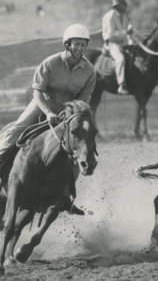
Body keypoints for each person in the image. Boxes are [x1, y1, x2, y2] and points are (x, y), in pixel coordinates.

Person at [0, 24, 96, 215]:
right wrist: (48, 111)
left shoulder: (90, 71)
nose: (80, 48)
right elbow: (37, 91)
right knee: (17, 129)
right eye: (76, 44)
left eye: (83, 44)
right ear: (67, 44)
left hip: (67, 113)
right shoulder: (51, 63)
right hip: (41, 104)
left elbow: (84, 100)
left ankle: (65, 196)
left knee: (80, 144)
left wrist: (71, 115)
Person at [102, 0, 134, 95]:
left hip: (123, 43)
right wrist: (126, 32)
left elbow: (128, 34)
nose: (126, 6)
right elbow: (110, 34)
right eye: (124, 4)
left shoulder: (124, 16)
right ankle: (121, 85)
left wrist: (130, 41)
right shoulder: (110, 16)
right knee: (120, 59)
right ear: (118, 5)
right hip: (112, 43)